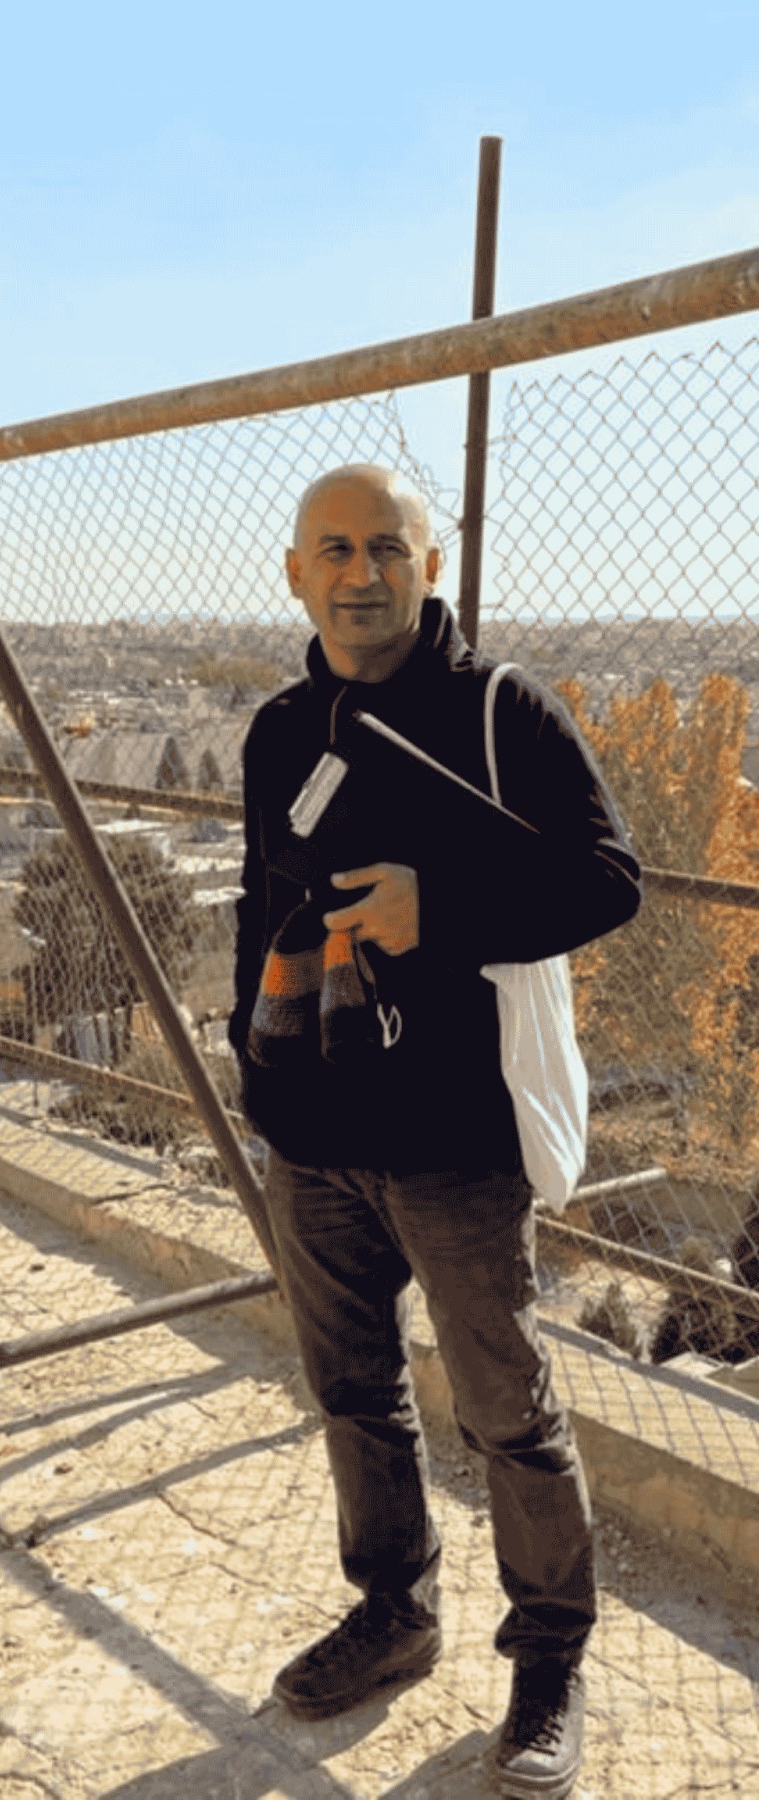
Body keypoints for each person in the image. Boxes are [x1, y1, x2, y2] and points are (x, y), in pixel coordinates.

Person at [229, 464, 640, 1799]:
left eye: (388, 550)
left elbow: (607, 880)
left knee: (507, 1410)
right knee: (354, 1391)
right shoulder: (282, 729)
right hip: (317, 1135)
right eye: (334, 551)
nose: (362, 574)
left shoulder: (504, 712)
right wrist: (260, 1070)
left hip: (455, 1140)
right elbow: (258, 909)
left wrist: (438, 907)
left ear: (432, 565)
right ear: (295, 572)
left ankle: (548, 1667)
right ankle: (395, 1612)